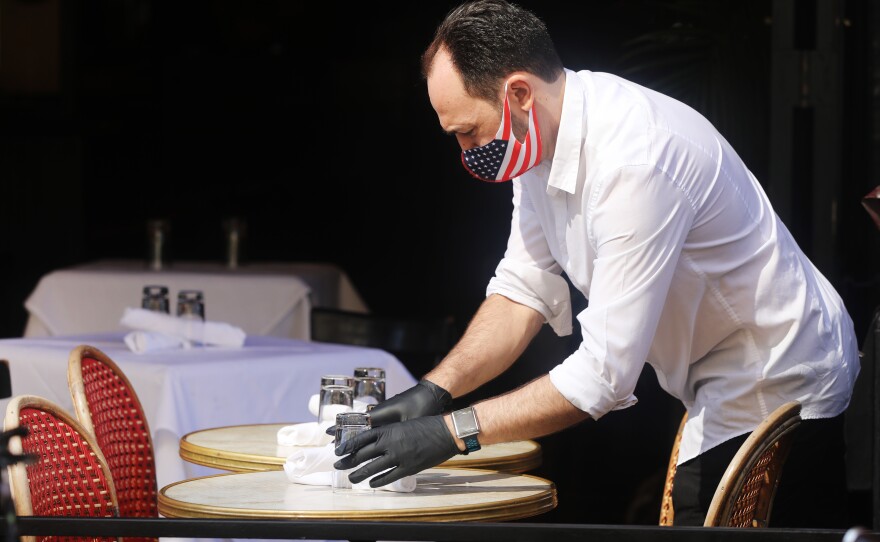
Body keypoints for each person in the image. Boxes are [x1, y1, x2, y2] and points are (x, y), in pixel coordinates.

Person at [332, 0, 860, 528]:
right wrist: (435, 390)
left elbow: (603, 377)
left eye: (468, 131)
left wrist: (452, 432)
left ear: (518, 93)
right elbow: (522, 292)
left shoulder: (636, 160)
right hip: (715, 376)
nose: (466, 150)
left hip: (779, 376)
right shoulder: (535, 139)